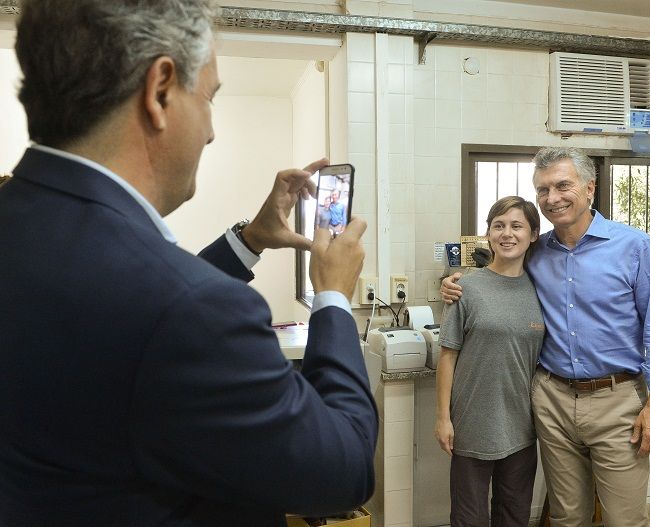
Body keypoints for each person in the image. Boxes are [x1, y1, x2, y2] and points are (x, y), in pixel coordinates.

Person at [0, 1, 377, 526]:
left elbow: (127, 312)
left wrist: (250, 239)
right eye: (209, 99)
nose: (211, 132)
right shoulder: (194, 310)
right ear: (159, 92)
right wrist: (333, 297)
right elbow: (343, 471)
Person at [441, 147, 650, 527]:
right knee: (567, 516)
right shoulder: (537, 252)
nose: (552, 198)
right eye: (543, 190)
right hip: (552, 399)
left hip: (617, 399)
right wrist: (455, 284)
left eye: (562, 185)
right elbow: (498, 277)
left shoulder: (634, 247)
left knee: (624, 518)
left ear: (590, 188)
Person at [436, 196, 544, 527]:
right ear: (488, 234)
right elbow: (447, 357)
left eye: (516, 226)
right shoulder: (464, 288)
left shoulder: (543, 290)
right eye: (498, 226)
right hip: (472, 425)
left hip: (523, 428)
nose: (506, 234)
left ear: (534, 234)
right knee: (469, 518)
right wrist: (443, 418)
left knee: (514, 515)